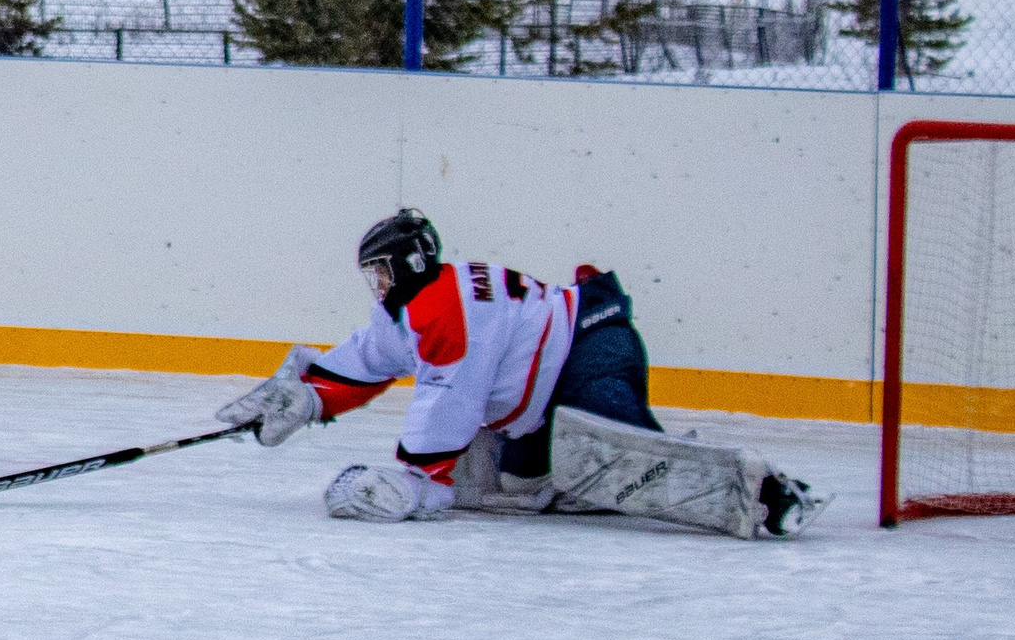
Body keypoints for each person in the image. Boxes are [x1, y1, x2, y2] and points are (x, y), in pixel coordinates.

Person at [218, 209, 824, 540]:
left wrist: (417, 479)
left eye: (379, 270)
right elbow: (366, 359)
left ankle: (768, 496)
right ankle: (592, 478)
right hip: (557, 379)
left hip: (587, 359)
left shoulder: (446, 307)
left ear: (406, 263)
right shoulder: (422, 302)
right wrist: (304, 396)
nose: (375, 283)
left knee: (632, 464)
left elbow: (449, 397)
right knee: (514, 483)